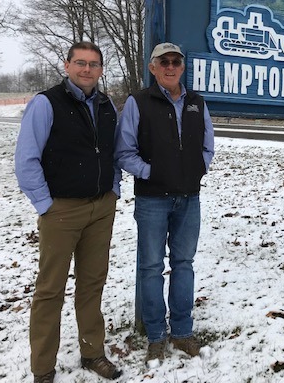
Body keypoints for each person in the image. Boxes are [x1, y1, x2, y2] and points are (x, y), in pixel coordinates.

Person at [15, 41, 123, 382]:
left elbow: (113, 153)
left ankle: (93, 352)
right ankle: (43, 368)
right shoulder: (46, 103)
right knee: (50, 290)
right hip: (61, 210)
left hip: (101, 208)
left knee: (92, 284)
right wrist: (45, 204)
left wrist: (114, 190)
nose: (86, 69)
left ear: (101, 69)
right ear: (67, 65)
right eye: (80, 63)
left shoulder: (107, 105)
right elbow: (26, 160)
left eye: (93, 64)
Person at [115, 42, 215, 366]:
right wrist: (151, 173)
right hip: (152, 201)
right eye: (164, 61)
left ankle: (182, 332)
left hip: (189, 199)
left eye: (176, 61)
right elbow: (124, 151)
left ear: (182, 67)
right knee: (151, 267)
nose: (170, 66)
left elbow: (207, 147)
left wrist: (197, 169)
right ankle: (156, 336)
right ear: (153, 67)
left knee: (184, 265)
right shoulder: (138, 103)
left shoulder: (197, 103)